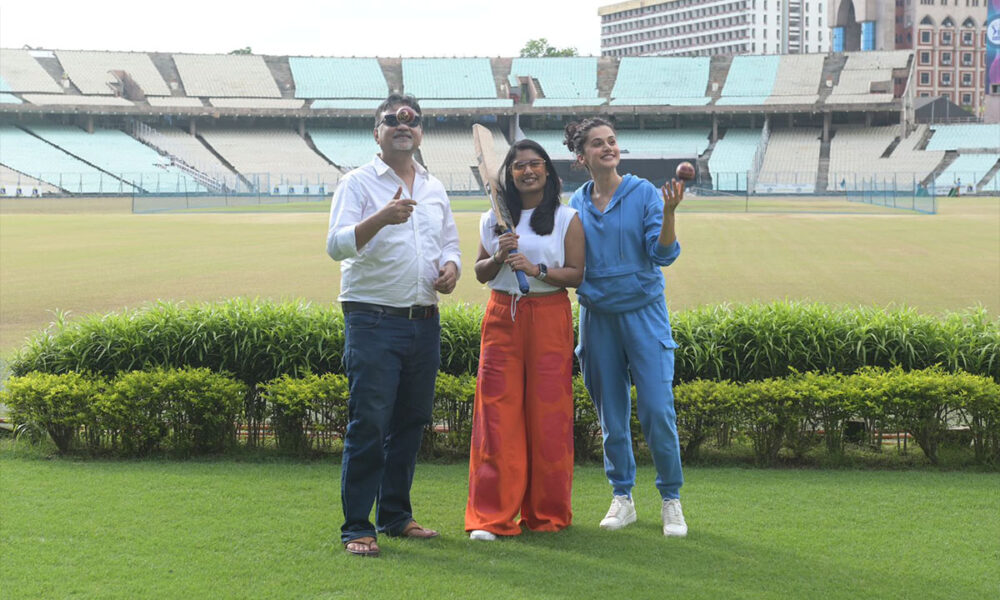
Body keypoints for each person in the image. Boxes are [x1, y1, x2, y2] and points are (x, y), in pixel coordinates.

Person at [326, 94, 461, 557]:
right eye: (393, 120)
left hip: (424, 319)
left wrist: (452, 269)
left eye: (412, 121)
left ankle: (396, 516)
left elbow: (450, 244)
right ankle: (357, 526)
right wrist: (381, 218)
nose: (404, 127)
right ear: (377, 131)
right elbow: (337, 246)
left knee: (410, 422)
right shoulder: (358, 183)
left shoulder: (434, 187)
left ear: (420, 131)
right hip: (373, 318)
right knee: (369, 423)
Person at [564, 117, 689, 538]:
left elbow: (663, 254)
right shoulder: (575, 205)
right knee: (611, 418)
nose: (608, 148)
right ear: (582, 157)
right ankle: (623, 497)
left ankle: (671, 499)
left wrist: (669, 213)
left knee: (657, 411)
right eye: (598, 144)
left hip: (644, 315)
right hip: (597, 319)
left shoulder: (644, 194)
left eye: (612, 141)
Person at [465, 139, 585, 541]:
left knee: (549, 417)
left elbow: (576, 275)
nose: (528, 171)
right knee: (496, 418)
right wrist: (498, 257)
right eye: (519, 166)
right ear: (509, 174)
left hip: (550, 315)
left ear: (548, 171)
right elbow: (480, 272)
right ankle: (490, 518)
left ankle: (547, 514)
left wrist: (536, 268)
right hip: (503, 315)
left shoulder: (567, 218)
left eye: (535, 164)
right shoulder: (492, 219)